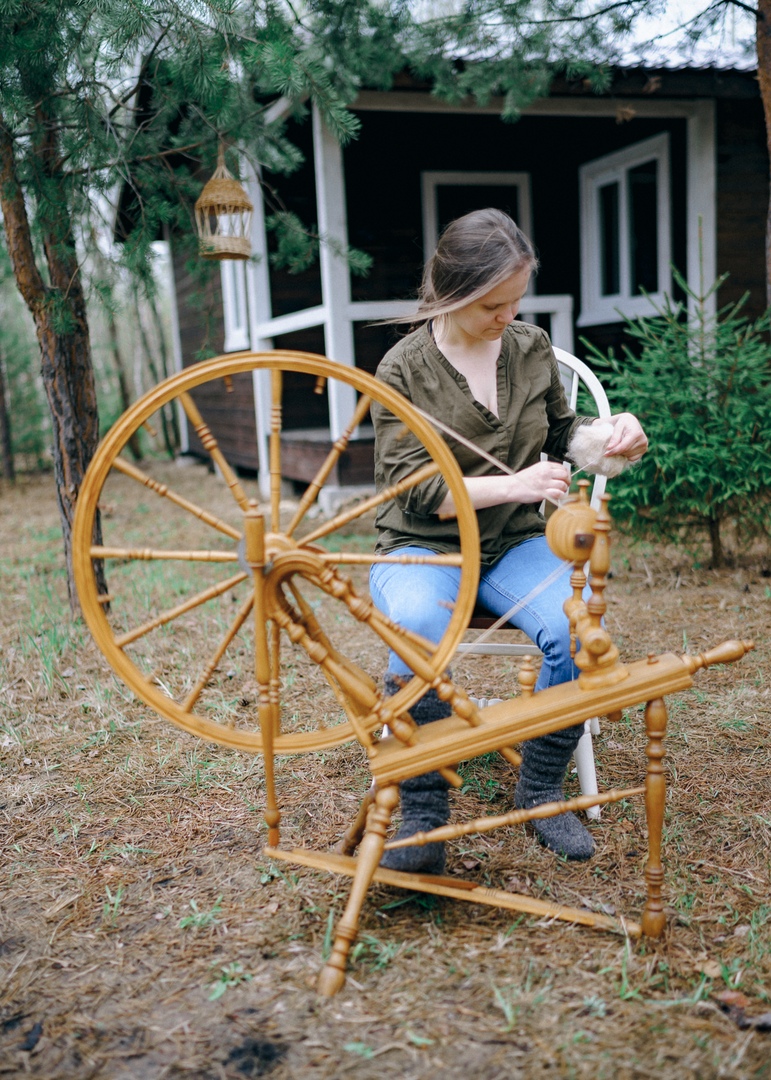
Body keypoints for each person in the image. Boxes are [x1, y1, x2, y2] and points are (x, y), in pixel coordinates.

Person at [369, 208, 647, 874]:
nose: (506, 316)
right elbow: (411, 488)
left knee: (575, 628)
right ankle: (423, 810)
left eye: (515, 300)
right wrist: (512, 486)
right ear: (450, 291)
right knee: (411, 627)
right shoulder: (401, 370)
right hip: (424, 547)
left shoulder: (525, 348)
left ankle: (542, 786)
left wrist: (611, 442)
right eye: (492, 304)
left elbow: (560, 435)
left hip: (515, 545)